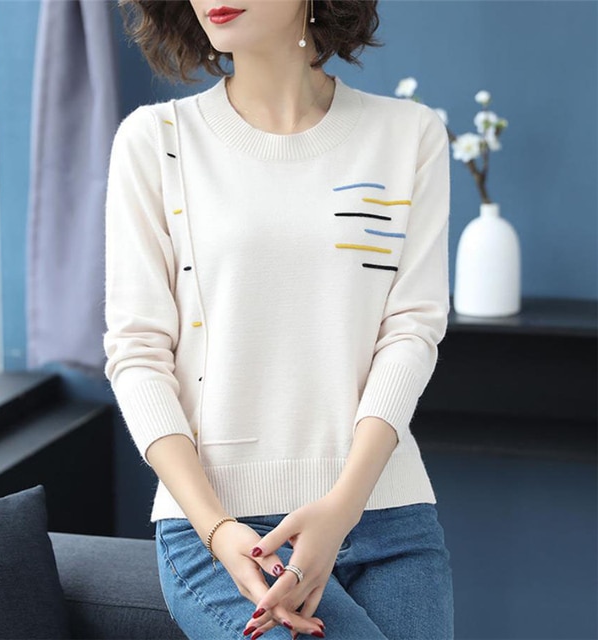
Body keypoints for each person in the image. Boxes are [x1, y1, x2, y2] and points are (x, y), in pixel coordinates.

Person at [103, 0, 454, 638]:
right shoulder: (155, 141)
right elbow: (137, 353)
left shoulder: (409, 134)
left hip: (387, 515)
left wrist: (343, 507)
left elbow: (411, 330)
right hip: (225, 531)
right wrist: (217, 529)